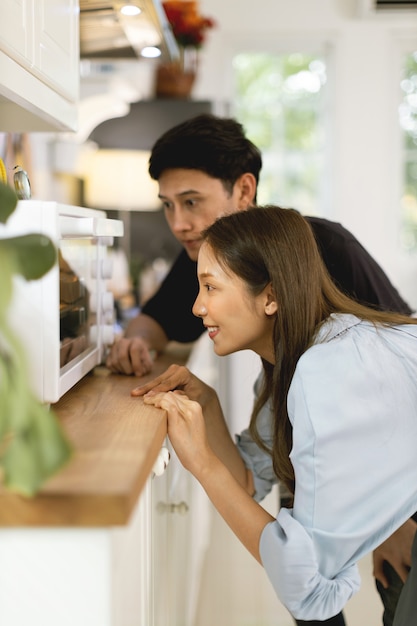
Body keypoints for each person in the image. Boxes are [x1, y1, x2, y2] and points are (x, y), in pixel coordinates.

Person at [105, 113, 414, 625]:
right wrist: (205, 401)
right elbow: (252, 479)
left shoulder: (325, 331)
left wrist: (391, 512)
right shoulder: (292, 362)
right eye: (168, 206)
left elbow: (396, 388)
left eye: (191, 202)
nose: (179, 222)